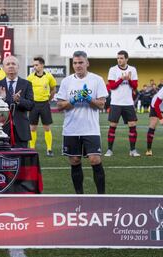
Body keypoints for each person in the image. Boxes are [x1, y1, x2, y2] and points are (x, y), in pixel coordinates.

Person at [56, 51, 108, 194]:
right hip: (71, 128)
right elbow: (60, 106)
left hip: (91, 129)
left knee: (94, 160)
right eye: (75, 63)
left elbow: (102, 105)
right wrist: (73, 100)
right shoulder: (67, 81)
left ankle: (101, 196)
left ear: (87, 63)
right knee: (74, 161)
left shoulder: (97, 80)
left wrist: (88, 99)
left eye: (81, 62)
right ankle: (80, 196)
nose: (78, 65)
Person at [0, 55, 34, 148]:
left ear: (18, 67)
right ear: (3, 68)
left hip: (21, 130)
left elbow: (31, 105)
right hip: (1, 130)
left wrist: (19, 100)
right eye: (8, 64)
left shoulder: (27, 84)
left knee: (21, 160)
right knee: (2, 160)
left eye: (13, 64)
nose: (11, 66)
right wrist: (2, 99)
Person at [105, 50, 140, 157]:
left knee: (132, 125)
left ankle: (133, 150)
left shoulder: (132, 69)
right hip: (116, 102)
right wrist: (121, 79)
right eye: (118, 58)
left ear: (126, 59)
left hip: (128, 103)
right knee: (113, 126)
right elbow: (112, 86)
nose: (119, 60)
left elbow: (135, 86)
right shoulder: (113, 69)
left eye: (121, 58)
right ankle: (109, 150)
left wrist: (129, 80)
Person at [27, 57, 57, 156]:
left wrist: (49, 99)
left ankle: (49, 149)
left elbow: (53, 89)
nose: (34, 67)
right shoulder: (30, 77)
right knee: (32, 128)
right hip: (33, 105)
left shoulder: (49, 76)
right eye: (34, 65)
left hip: (45, 104)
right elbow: (26, 90)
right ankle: (32, 149)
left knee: (47, 128)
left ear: (42, 65)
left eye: (36, 65)